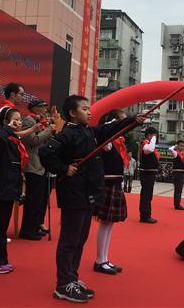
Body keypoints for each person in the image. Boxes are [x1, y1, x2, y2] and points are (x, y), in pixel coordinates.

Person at [40, 95, 143, 303]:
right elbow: (45, 153)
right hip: (73, 195)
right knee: (69, 241)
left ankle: (72, 278)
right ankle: (63, 284)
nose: (89, 112)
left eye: (89, 108)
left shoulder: (90, 132)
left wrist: (133, 120)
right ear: (72, 113)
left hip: (87, 195)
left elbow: (110, 128)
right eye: (85, 109)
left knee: (80, 240)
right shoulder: (67, 135)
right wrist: (63, 168)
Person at [0, 108, 27, 273]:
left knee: (1, 227)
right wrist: (8, 128)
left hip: (8, 189)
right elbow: (0, 137)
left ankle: (1, 259)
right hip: (0, 190)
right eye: (15, 119)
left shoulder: (12, 140)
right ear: (5, 122)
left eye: (20, 119)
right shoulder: (1, 139)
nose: (19, 122)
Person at [94, 109, 131, 276]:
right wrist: (111, 124)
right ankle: (99, 260)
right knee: (105, 222)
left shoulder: (118, 139)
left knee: (109, 224)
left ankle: (104, 258)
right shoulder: (107, 137)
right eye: (121, 121)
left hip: (115, 181)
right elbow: (105, 135)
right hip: (107, 182)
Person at [19, 99, 59, 240]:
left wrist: (51, 128)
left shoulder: (41, 121)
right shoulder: (29, 120)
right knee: (33, 200)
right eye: (42, 107)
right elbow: (33, 140)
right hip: (33, 165)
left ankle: (36, 226)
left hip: (42, 165)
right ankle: (27, 231)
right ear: (35, 108)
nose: (45, 110)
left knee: (40, 200)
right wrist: (48, 130)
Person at [139, 127, 160, 223]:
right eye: (155, 135)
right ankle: (144, 215)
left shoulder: (149, 144)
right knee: (146, 194)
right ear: (149, 135)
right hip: (146, 172)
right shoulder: (145, 143)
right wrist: (153, 138)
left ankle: (147, 214)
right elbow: (150, 150)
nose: (156, 138)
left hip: (150, 172)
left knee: (148, 194)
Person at [169, 140, 184, 210]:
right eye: (180, 145)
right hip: (176, 173)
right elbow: (170, 149)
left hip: (181, 173)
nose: (182, 147)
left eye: (183, 146)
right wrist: (175, 146)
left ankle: (177, 203)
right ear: (177, 146)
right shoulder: (175, 153)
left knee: (179, 189)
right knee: (178, 189)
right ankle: (177, 204)